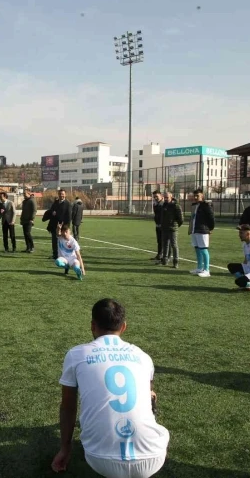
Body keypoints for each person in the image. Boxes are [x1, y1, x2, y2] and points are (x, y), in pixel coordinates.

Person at [52, 298, 169, 477]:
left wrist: (65, 449)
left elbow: (68, 407)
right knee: (149, 394)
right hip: (152, 457)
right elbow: (148, 393)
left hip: (100, 459)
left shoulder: (76, 354)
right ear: (123, 327)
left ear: (92, 326)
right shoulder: (143, 356)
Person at [188, 189, 214, 277]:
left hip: (203, 230)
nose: (195, 197)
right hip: (195, 230)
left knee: (203, 249)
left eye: (197, 196)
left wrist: (210, 228)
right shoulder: (194, 205)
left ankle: (207, 270)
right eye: (194, 195)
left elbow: (211, 218)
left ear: (202, 195)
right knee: (197, 249)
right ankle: (199, 267)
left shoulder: (206, 205)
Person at [43, 190, 71, 259]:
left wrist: (66, 227)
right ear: (58, 195)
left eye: (63, 194)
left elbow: (69, 216)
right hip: (54, 226)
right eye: (60, 194)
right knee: (54, 241)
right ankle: (55, 255)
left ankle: (63, 255)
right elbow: (51, 210)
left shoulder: (68, 204)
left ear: (65, 195)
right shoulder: (55, 202)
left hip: (63, 226)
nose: (61, 195)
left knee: (63, 242)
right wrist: (52, 212)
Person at [158, 192, 183, 269]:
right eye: (164, 197)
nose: (165, 199)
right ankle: (164, 260)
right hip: (164, 228)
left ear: (171, 197)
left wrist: (175, 225)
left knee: (174, 245)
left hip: (172, 229)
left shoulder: (176, 206)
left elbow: (181, 219)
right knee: (165, 245)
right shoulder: (163, 205)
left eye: (167, 197)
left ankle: (176, 261)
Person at [20, 188, 37, 253]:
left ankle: (32, 247)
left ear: (29, 193)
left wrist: (32, 219)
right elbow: (23, 211)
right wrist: (21, 218)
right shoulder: (24, 201)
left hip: (29, 220)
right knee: (25, 234)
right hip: (24, 220)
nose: (24, 195)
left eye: (25, 193)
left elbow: (34, 210)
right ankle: (28, 247)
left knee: (28, 233)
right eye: (23, 194)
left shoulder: (32, 200)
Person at [150, 191, 163, 261]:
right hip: (158, 225)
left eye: (157, 196)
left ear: (161, 196)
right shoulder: (156, 204)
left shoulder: (163, 204)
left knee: (164, 242)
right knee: (159, 241)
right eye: (154, 197)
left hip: (163, 226)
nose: (155, 198)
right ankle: (159, 255)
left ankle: (165, 256)